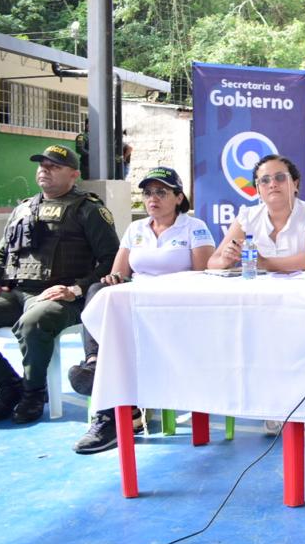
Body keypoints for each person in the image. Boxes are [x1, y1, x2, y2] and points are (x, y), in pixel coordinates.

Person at [0, 145, 119, 424]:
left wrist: (76, 289)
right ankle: (8, 385)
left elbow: (111, 260)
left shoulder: (89, 209)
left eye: (54, 166)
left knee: (33, 323)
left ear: (74, 174)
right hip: (16, 293)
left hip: (62, 297)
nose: (45, 170)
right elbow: (2, 253)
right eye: (42, 165)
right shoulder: (22, 208)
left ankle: (33, 392)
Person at [71, 166, 215, 453]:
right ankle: (95, 363)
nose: (153, 198)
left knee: (119, 348)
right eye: (148, 193)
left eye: (161, 192)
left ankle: (115, 413)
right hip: (137, 306)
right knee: (99, 291)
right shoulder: (135, 229)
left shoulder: (194, 227)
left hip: (175, 311)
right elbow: (118, 275)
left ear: (178, 197)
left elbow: (204, 277)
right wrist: (113, 280)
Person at [209, 154, 305, 435]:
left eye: (279, 178)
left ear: (295, 183)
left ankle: (291, 402)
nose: (272, 184)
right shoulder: (247, 217)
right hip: (259, 306)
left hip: (304, 305)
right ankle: (270, 401)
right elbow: (212, 262)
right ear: (257, 188)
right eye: (264, 180)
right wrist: (226, 258)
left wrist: (263, 263)